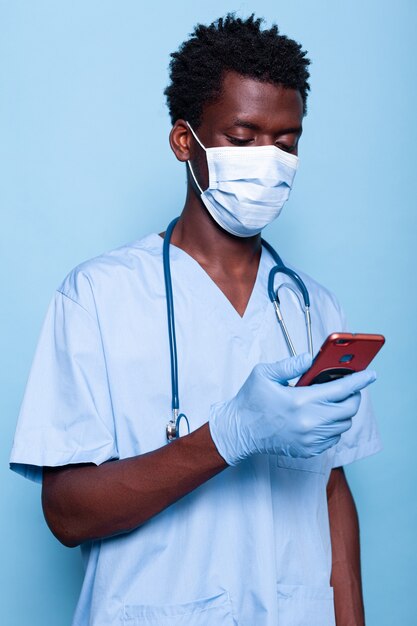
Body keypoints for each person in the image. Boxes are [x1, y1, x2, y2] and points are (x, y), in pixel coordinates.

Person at [10, 14, 381, 626]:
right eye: (243, 138)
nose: (269, 161)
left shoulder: (312, 307)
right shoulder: (98, 297)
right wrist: (228, 434)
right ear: (185, 141)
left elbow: (332, 490)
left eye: (286, 143)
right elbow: (67, 514)